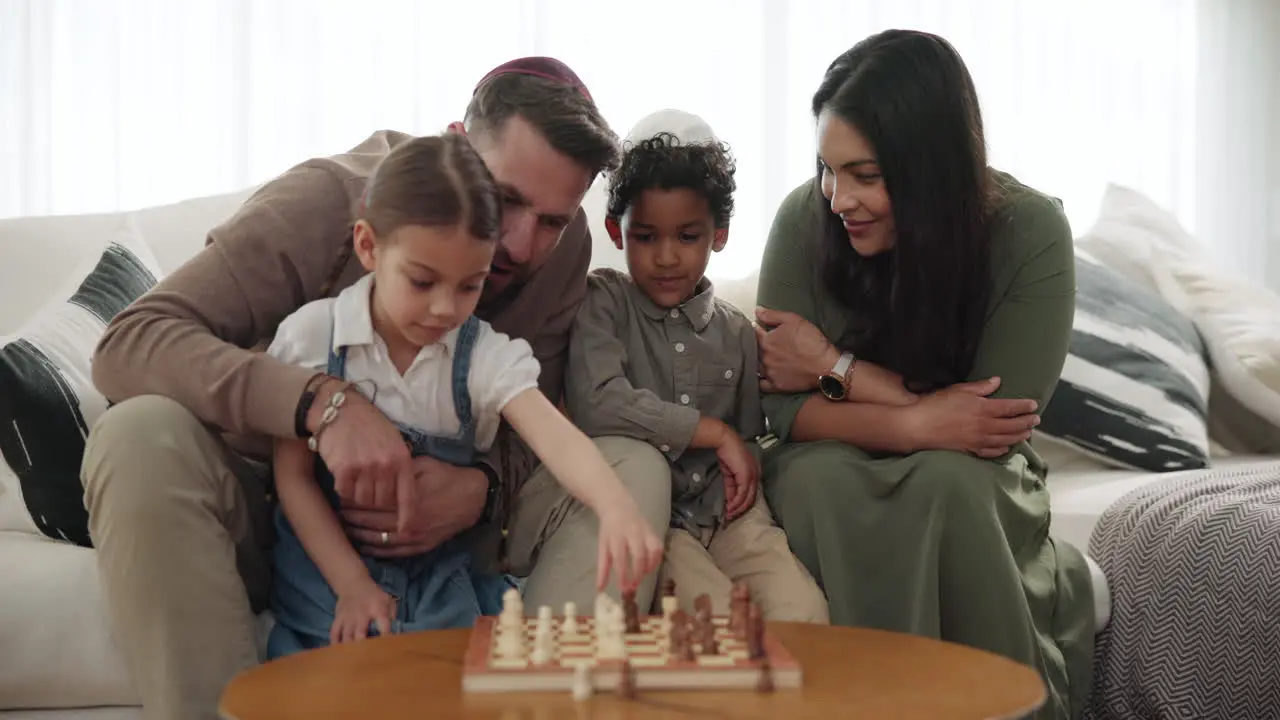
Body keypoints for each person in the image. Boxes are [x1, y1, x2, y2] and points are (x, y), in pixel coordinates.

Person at [80, 57, 672, 719]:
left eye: (552, 221)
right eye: (504, 200)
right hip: (285, 511)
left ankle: (534, 704)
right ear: (456, 142)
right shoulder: (328, 201)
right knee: (135, 435)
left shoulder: (563, 254)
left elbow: (540, 420)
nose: (519, 244)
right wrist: (320, 406)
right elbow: (131, 343)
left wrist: (480, 489)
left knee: (633, 466)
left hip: (446, 543)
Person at [753, 31, 1095, 719]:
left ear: (930, 165)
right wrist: (912, 420)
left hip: (977, 473)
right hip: (829, 458)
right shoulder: (803, 219)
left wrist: (829, 366)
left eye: (865, 175)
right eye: (827, 168)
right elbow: (780, 414)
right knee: (812, 476)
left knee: (950, 481)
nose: (837, 196)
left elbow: (993, 426)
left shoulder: (1030, 233)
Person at [265, 134, 663, 657]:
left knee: (453, 676)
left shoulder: (479, 354)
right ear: (368, 247)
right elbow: (292, 478)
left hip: (435, 579)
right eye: (422, 282)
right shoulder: (311, 338)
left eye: (469, 286)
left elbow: (555, 437)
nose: (444, 310)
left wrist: (615, 507)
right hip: (326, 576)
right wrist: (353, 587)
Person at [564, 112, 828, 623]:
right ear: (617, 234)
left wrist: (740, 458)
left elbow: (749, 440)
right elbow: (598, 403)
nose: (666, 257)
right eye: (645, 237)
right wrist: (711, 432)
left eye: (687, 237)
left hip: (730, 518)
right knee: (721, 622)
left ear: (720, 235)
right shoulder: (602, 304)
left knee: (805, 615)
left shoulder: (737, 333)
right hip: (653, 521)